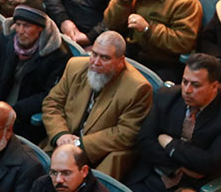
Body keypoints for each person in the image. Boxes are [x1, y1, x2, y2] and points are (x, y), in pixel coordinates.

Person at [126, 53, 221, 192]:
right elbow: (145, 141)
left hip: (196, 189)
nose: (187, 90)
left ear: (215, 86)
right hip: (154, 175)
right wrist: (179, 167)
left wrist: (171, 145)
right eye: (185, 82)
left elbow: (211, 163)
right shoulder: (167, 96)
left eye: (196, 85)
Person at [42, 31, 154, 179]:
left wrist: (79, 145)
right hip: (61, 144)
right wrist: (61, 135)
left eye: (104, 58)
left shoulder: (138, 88)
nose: (95, 62)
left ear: (121, 61)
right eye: (94, 54)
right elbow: (52, 103)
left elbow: (127, 133)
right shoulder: (74, 66)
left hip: (99, 156)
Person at [103, 0, 202, 82]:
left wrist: (148, 29)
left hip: (162, 62)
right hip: (131, 52)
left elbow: (184, 42)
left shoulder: (183, 0)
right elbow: (110, 23)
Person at [0, 4, 71, 140]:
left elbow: (50, 94)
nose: (20, 31)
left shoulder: (58, 54)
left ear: (40, 28)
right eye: (18, 24)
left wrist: (14, 111)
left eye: (26, 26)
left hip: (25, 119)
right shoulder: (5, 39)